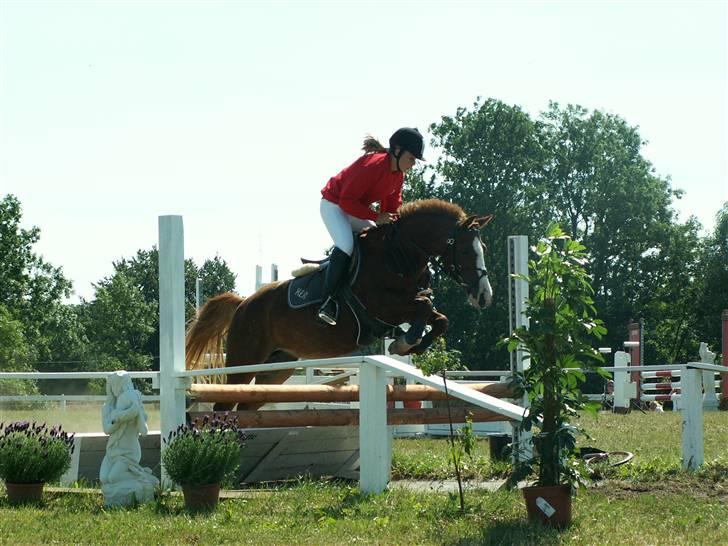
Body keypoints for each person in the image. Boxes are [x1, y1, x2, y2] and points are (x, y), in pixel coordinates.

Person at [317, 127, 425, 326]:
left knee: (380, 241)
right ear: (398, 150)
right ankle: (327, 301)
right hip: (333, 205)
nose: (413, 163)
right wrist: (376, 216)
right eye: (412, 157)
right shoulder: (373, 166)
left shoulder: (397, 176)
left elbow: (391, 209)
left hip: (352, 209)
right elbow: (346, 201)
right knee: (346, 244)